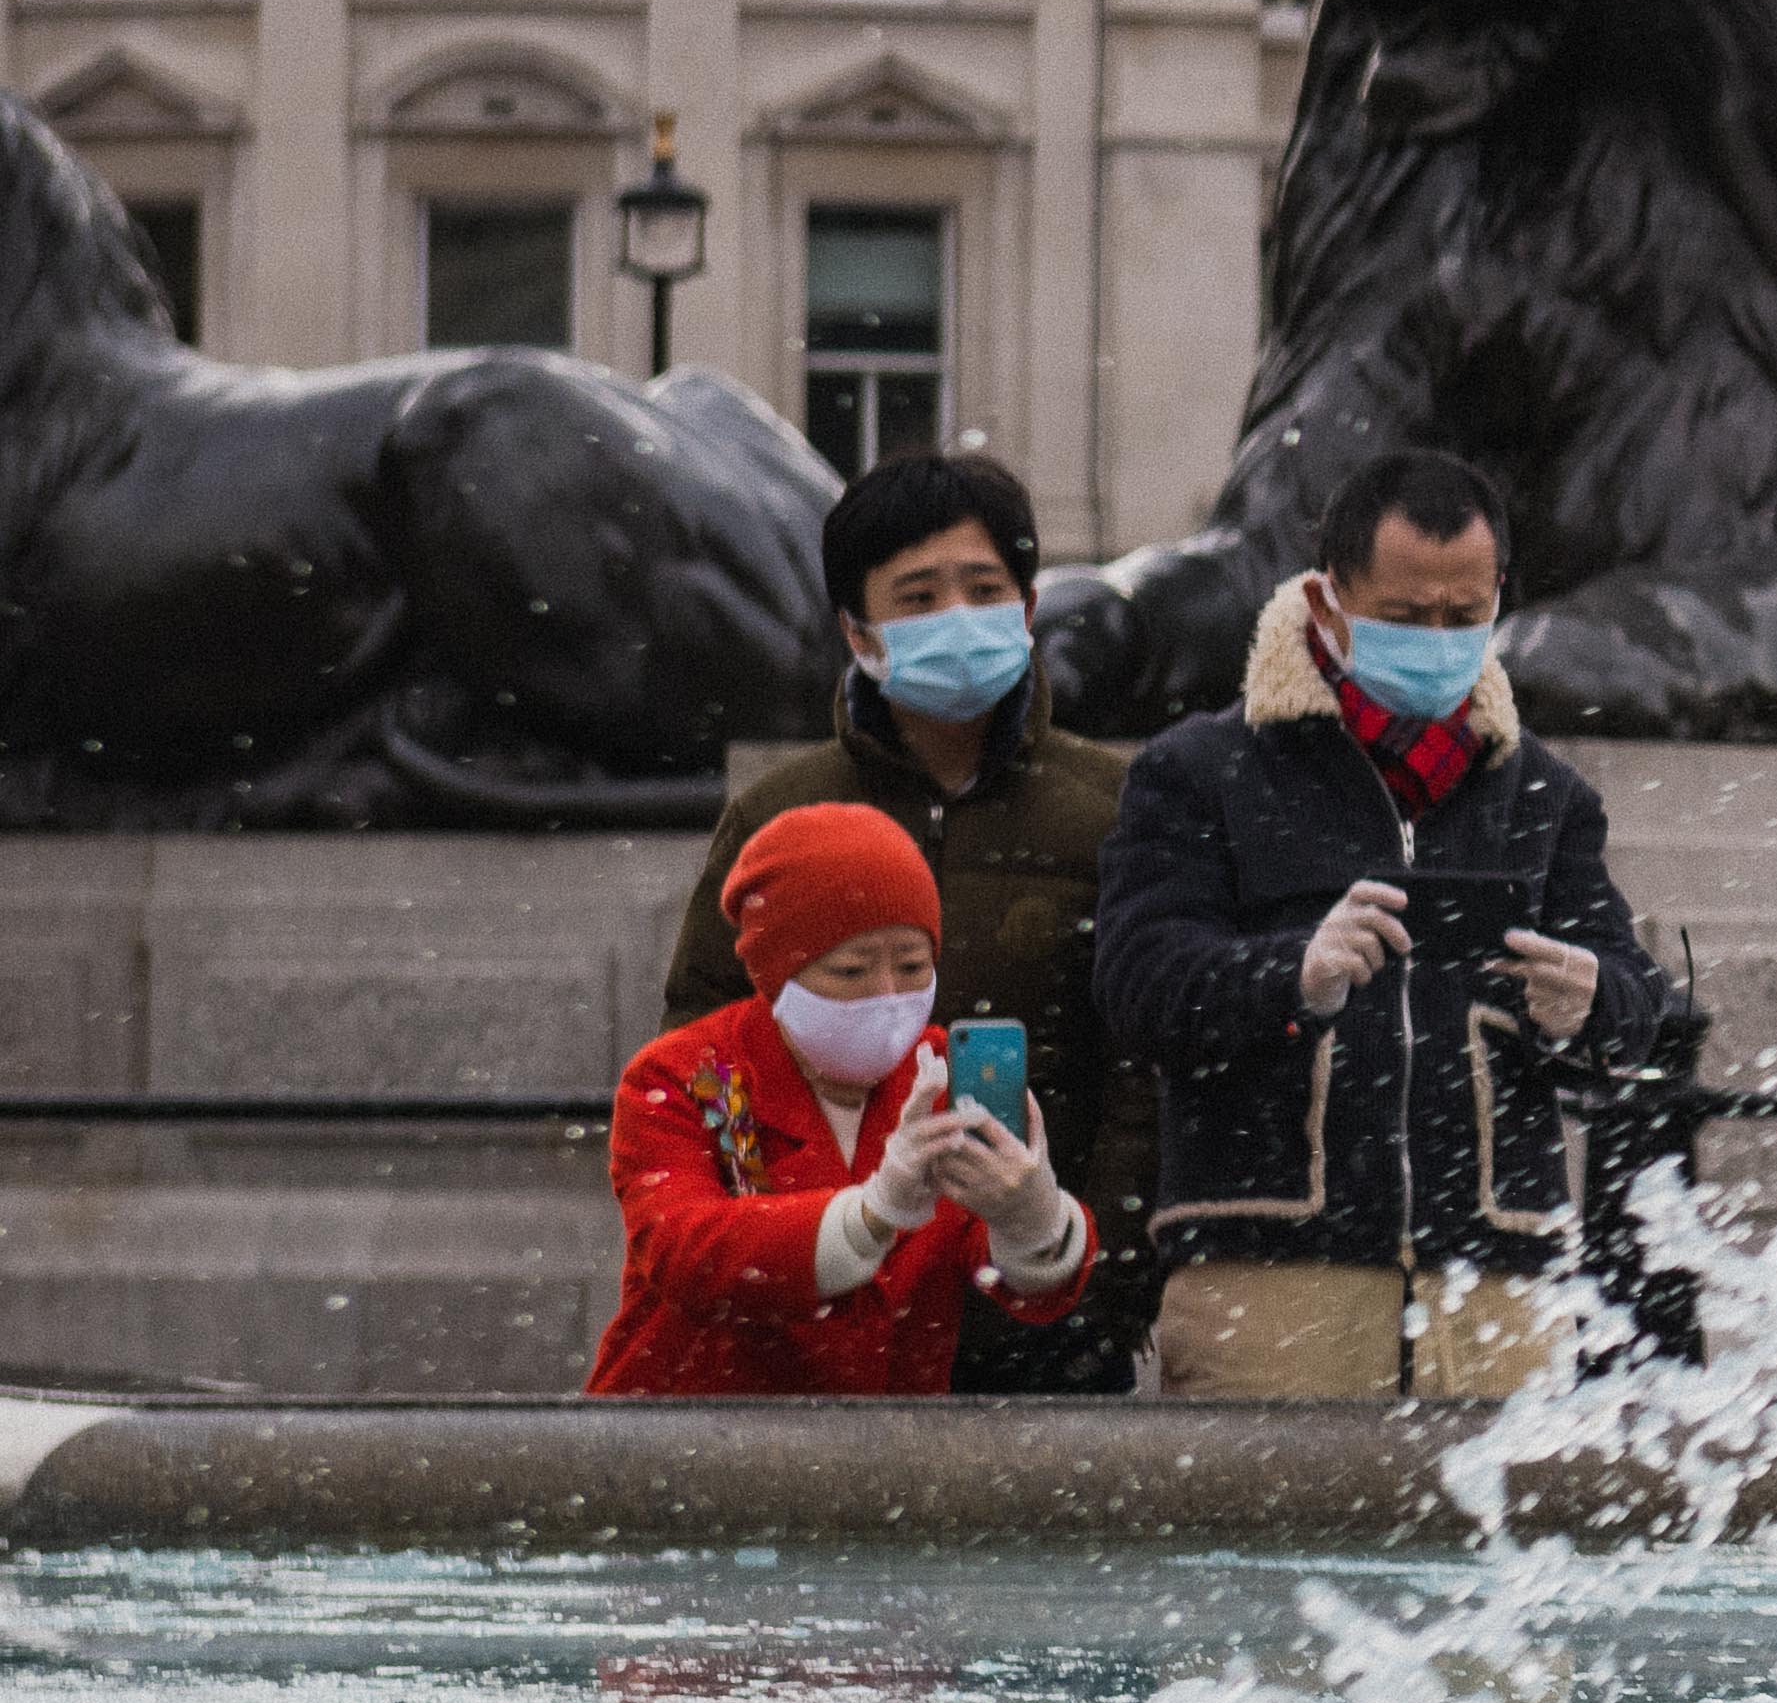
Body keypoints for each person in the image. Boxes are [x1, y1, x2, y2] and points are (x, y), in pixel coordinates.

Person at [1093, 447, 1667, 1401]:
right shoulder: (1202, 770)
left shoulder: (1542, 792)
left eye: (1465, 617)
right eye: (1405, 617)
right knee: (1266, 1546)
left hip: (1497, 1284)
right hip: (1269, 1278)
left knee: (1498, 1551)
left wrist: (1592, 1000)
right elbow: (1138, 982)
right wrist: (1292, 975)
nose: (1439, 640)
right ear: (1326, 605)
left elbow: (1640, 1002)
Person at [661, 448, 1150, 1393]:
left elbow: (1144, 1071)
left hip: (1039, 1307)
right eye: (917, 597)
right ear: (860, 631)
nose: (955, 619)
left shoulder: (1113, 807)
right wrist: (768, 1239)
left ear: (1028, 607)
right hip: (815, 1311)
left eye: (983, 588)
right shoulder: (779, 812)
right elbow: (704, 1045)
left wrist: (1100, 1266)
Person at [593, 803, 1098, 1395]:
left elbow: (1013, 1280)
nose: (887, 997)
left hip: (882, 1452)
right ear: (778, 974)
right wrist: (873, 1210)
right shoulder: (683, 1075)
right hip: (693, 1435)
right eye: (851, 971)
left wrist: (1034, 1220)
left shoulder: (938, 1073)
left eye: (912, 966)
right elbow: (684, 1251)